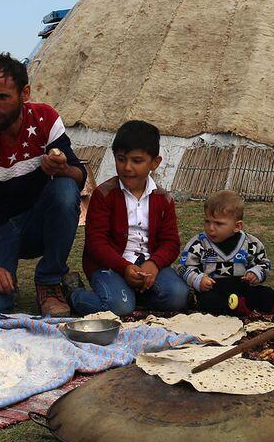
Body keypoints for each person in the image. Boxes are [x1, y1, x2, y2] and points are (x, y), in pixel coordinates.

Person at [0, 52, 87, 317]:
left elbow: (79, 175)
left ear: (24, 94)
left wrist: (62, 168)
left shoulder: (45, 119)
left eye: (2, 97)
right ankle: (2, 270)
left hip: (37, 222)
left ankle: (49, 281)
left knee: (65, 189)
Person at [68, 120, 188, 315]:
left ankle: (132, 293)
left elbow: (171, 242)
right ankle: (74, 293)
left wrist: (154, 263)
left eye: (137, 161)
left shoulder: (163, 199)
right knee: (119, 307)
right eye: (121, 159)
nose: (127, 167)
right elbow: (96, 242)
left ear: (155, 163)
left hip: (148, 264)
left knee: (178, 296)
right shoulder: (104, 194)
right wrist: (124, 267)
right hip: (110, 266)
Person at [175, 190, 274, 316]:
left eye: (218, 223)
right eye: (207, 221)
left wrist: (256, 273)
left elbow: (264, 264)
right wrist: (197, 279)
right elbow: (183, 267)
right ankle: (236, 309)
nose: (211, 228)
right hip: (214, 290)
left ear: (237, 226)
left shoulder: (251, 244)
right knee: (208, 301)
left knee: (266, 294)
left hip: (242, 289)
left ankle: (271, 307)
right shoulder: (199, 244)